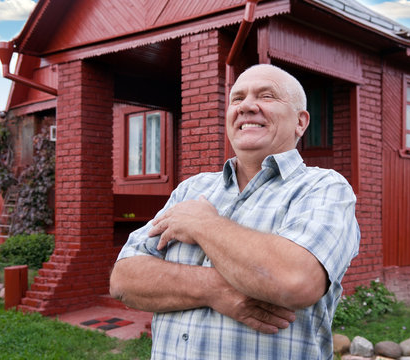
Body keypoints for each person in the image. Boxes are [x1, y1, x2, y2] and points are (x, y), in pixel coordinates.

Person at [109, 64, 360, 359]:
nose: (247, 106)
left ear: (300, 122)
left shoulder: (323, 187)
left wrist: (203, 225)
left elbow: (296, 281)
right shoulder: (191, 189)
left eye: (267, 96)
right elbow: (124, 279)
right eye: (237, 99)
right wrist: (215, 289)